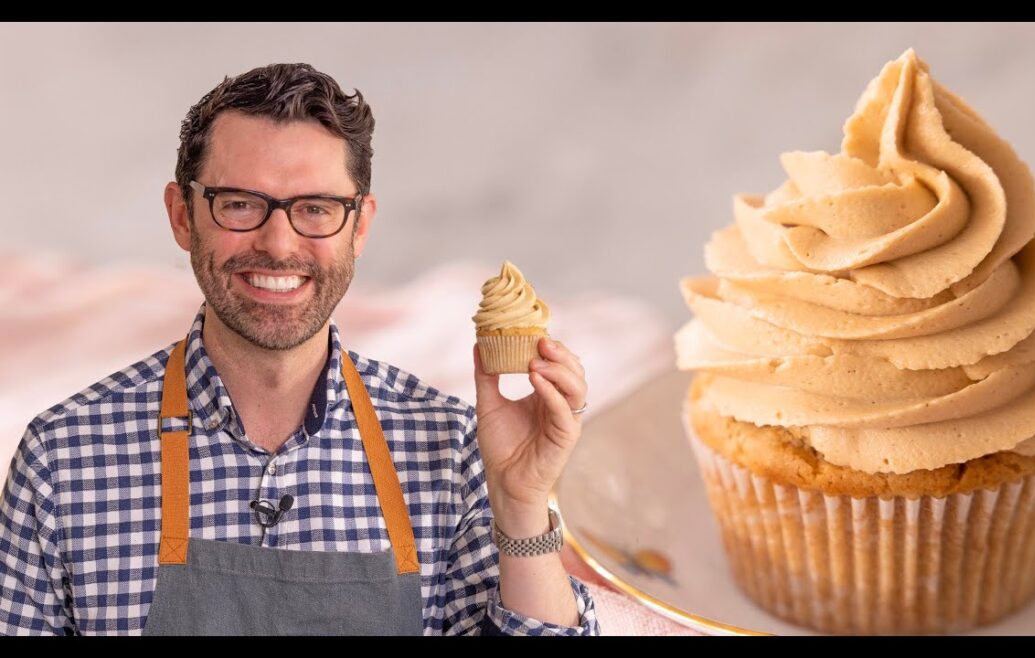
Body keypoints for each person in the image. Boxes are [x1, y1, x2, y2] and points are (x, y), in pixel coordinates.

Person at [0, 63, 598, 636]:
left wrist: (521, 507)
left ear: (359, 226)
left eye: (316, 208)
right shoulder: (63, 460)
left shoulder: (454, 450)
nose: (279, 243)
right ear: (183, 215)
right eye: (239, 203)